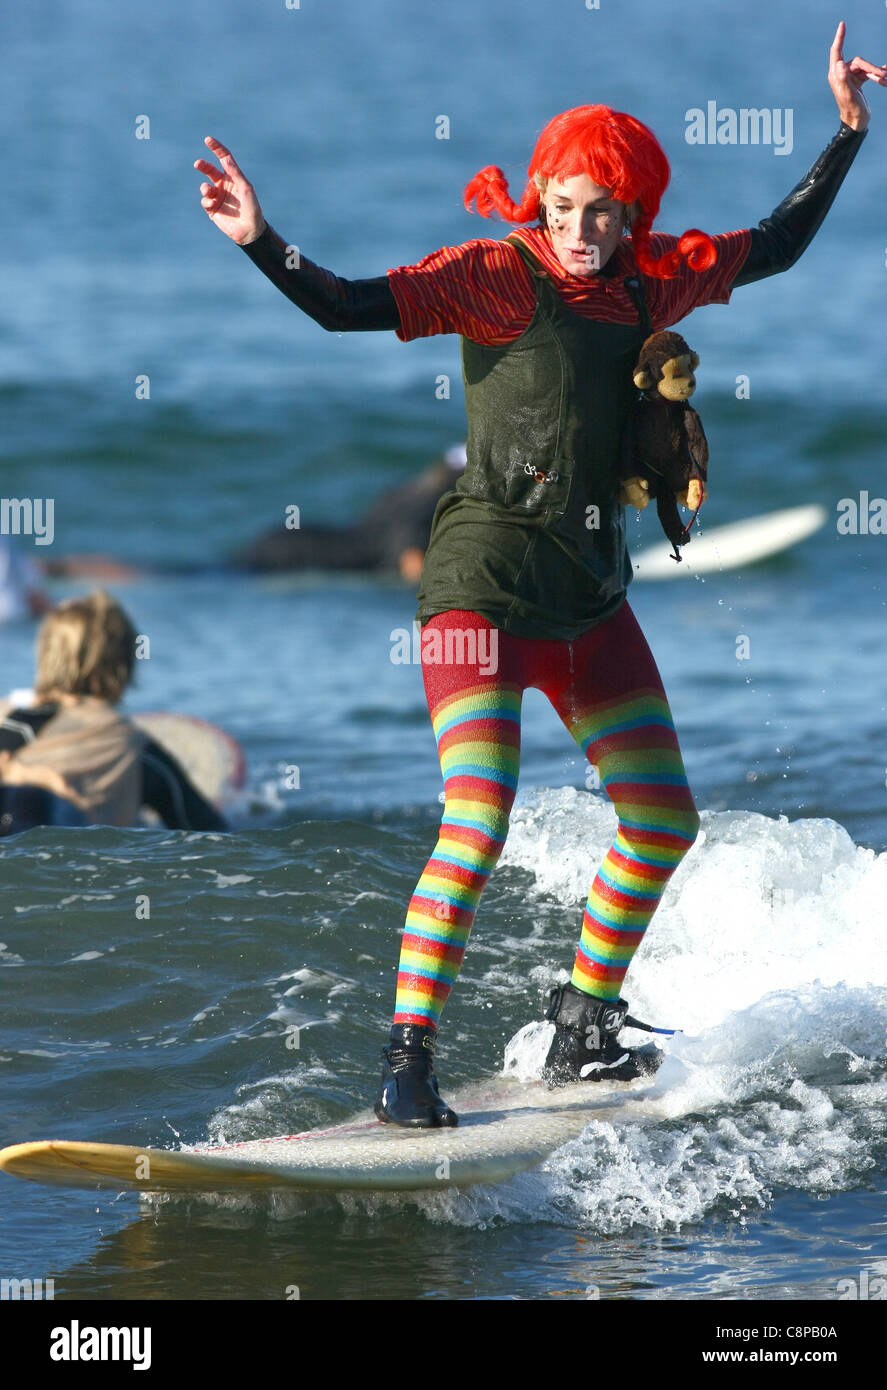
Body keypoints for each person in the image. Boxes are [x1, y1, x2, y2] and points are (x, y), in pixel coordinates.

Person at [196, 22, 882, 1127]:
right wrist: (259, 239)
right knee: (476, 819)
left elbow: (774, 245)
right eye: (561, 206)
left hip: (588, 601)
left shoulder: (650, 285)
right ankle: (406, 1059)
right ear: (538, 199)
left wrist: (845, 133)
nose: (577, 230)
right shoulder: (491, 277)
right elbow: (343, 305)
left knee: (660, 819)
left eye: (601, 211)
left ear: (631, 212)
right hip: (477, 592)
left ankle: (582, 1024)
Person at [0, 591, 227, 833]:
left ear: (44, 653)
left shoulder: (5, 709)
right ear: (124, 664)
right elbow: (208, 832)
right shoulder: (135, 747)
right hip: (62, 834)